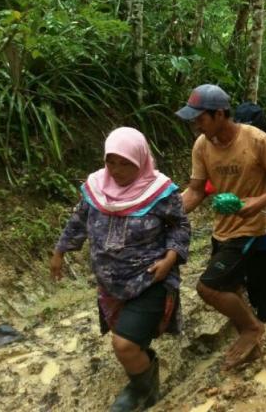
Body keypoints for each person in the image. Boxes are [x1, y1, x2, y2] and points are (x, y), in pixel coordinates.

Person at [50, 127, 189, 412]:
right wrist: (60, 251)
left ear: (141, 160)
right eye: (111, 161)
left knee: (123, 344)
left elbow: (180, 226)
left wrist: (170, 259)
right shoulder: (95, 188)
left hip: (149, 279)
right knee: (131, 340)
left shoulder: (160, 192)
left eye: (125, 163)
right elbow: (78, 221)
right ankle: (145, 368)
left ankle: (141, 389)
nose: (116, 170)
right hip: (110, 283)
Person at [176, 84, 266, 368]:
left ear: (220, 114)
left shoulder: (257, 140)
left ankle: (253, 328)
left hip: (250, 227)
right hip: (221, 229)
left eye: (200, 119)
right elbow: (196, 190)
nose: (196, 125)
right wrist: (166, 213)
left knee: (208, 288)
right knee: (232, 288)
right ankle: (251, 348)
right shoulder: (202, 145)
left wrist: (259, 201)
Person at [204, 102, 266, 322]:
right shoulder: (229, 147)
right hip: (236, 220)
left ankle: (263, 314)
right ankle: (246, 309)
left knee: (264, 271)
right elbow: (213, 184)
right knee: (239, 268)